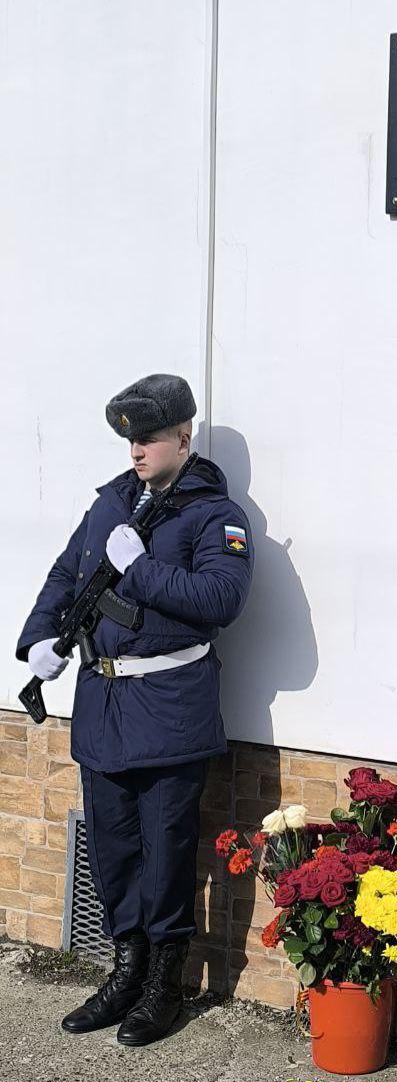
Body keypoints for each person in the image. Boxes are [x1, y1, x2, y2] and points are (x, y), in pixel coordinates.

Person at [15, 374, 254, 1046]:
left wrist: (143, 568)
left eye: (149, 437)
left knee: (166, 851)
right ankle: (124, 970)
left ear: (184, 436)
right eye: (130, 438)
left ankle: (163, 984)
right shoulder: (112, 502)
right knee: (114, 848)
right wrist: (38, 638)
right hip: (103, 703)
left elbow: (220, 601)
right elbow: (67, 572)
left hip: (170, 708)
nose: (137, 450)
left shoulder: (216, 516)